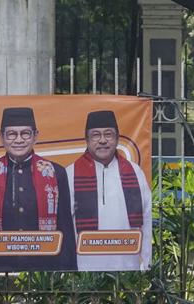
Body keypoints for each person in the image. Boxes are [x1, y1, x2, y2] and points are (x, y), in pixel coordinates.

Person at [0, 107, 77, 271]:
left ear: (35, 136)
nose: (19, 140)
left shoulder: (56, 173)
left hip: (45, 265)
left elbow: (65, 227)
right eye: (11, 134)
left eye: (25, 133)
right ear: (1, 138)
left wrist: (69, 271)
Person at [65, 110, 152, 271]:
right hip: (84, 269)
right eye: (96, 135)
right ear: (87, 140)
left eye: (109, 134)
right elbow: (64, 227)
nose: (103, 140)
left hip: (127, 267)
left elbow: (147, 220)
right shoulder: (70, 174)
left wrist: (146, 265)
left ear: (117, 139)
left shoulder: (135, 172)